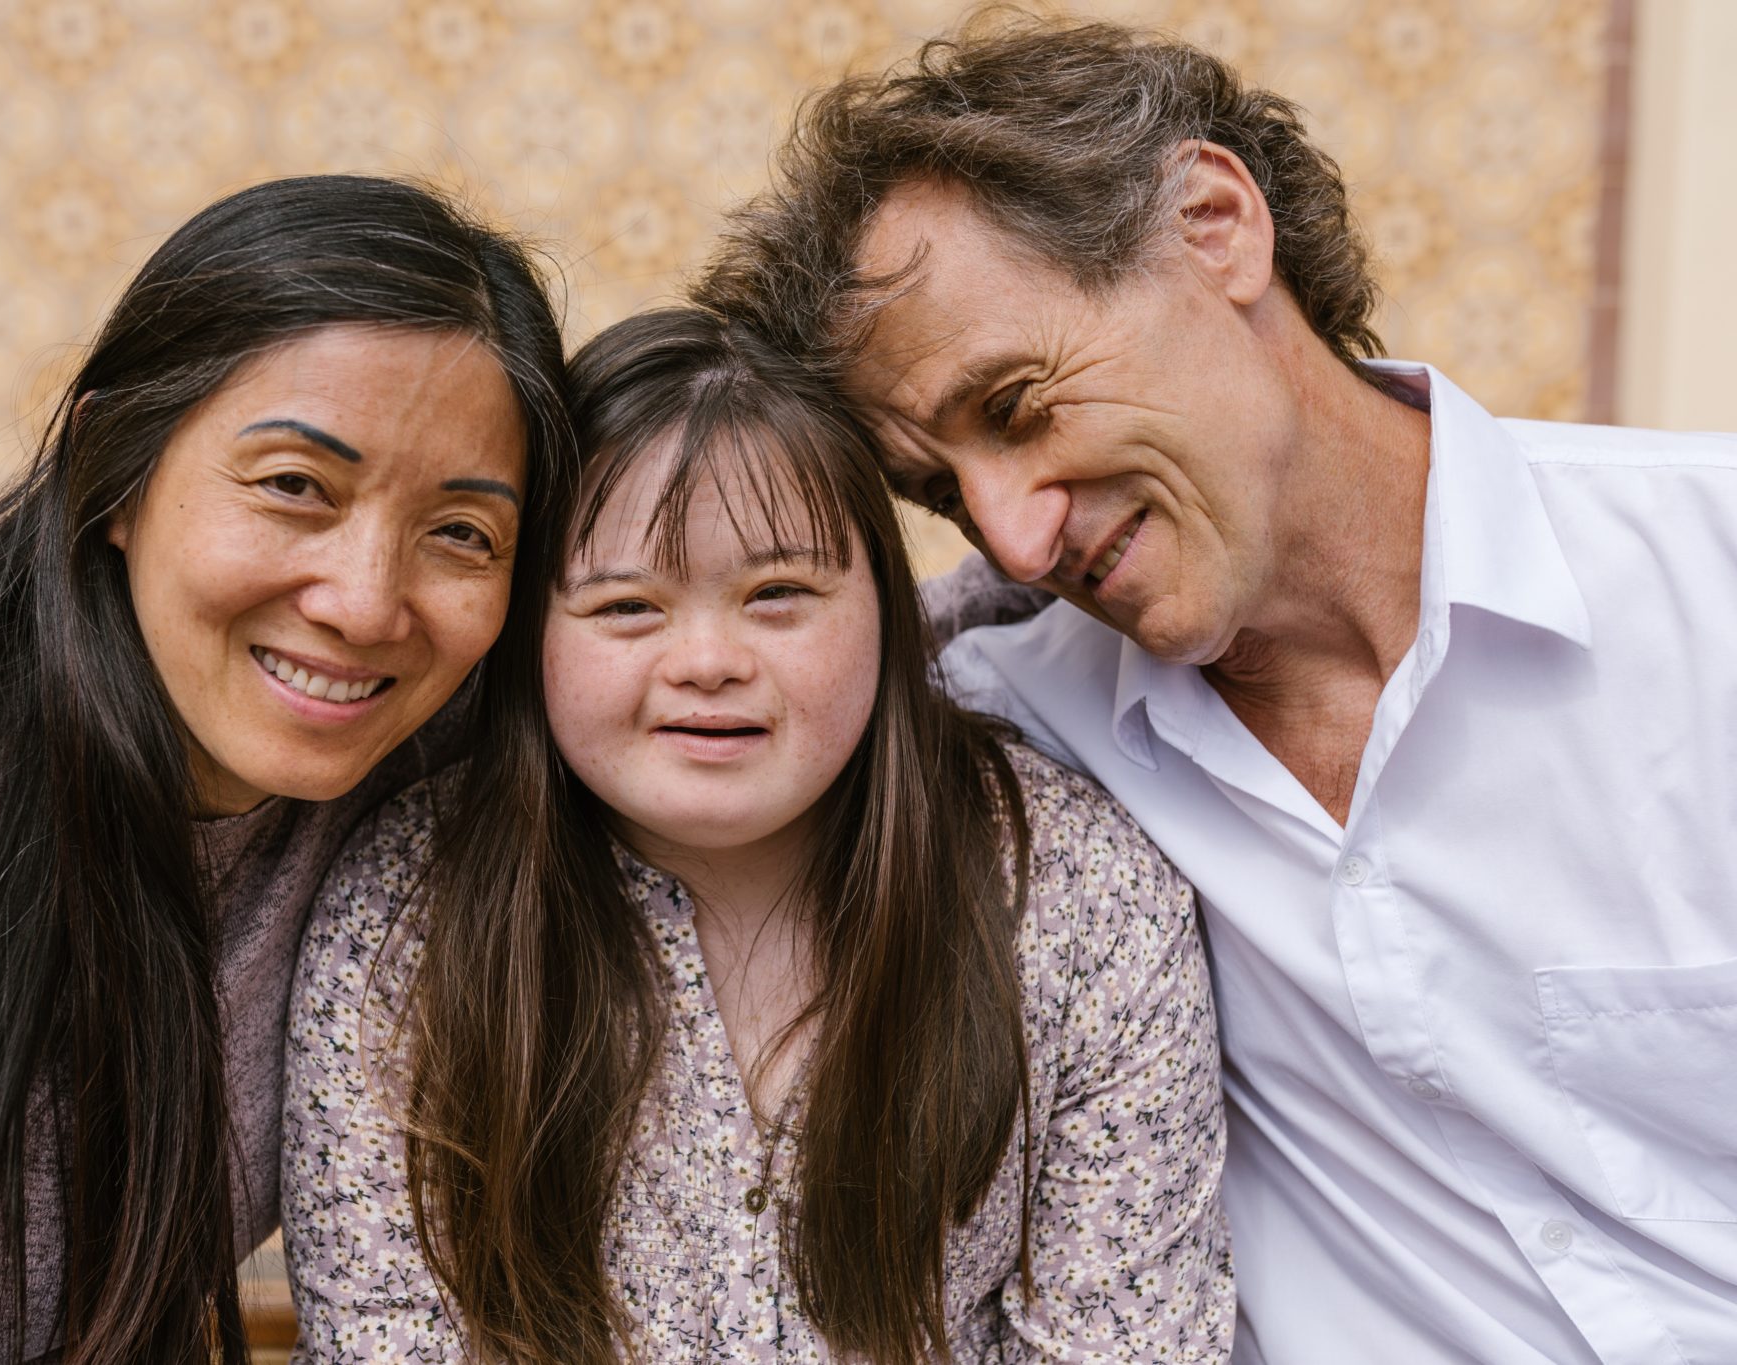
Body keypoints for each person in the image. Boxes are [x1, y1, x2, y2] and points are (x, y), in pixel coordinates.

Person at [694, 15, 1737, 1365]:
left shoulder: (1707, 580)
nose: (1014, 535)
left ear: (1214, 224)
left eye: (1016, 405)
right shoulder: (1000, 722)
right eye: (942, 493)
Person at [0, 174, 572, 1363]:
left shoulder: (424, 785)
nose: (365, 605)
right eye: (294, 487)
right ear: (114, 467)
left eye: (462, 533)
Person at [281, 307, 1232, 1364]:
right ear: (525, 633)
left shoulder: (1070, 890)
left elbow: (1122, 1340)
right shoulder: (406, 914)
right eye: (626, 607)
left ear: (885, 604)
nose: (707, 662)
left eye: (778, 595)